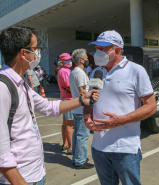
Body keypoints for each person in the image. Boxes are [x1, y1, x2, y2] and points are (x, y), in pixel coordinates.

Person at [0, 26, 99, 185]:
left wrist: (82, 100)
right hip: (20, 179)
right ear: (23, 53)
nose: (38, 53)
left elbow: (48, 107)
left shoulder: (21, 82)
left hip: (35, 174)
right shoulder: (3, 87)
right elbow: (1, 153)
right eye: (35, 48)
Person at [84, 30, 157, 184]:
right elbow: (90, 102)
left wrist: (121, 120)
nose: (97, 52)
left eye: (102, 49)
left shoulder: (136, 71)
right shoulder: (96, 72)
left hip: (125, 149)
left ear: (116, 50)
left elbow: (151, 106)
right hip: (99, 148)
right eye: (96, 48)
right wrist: (87, 117)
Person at [69, 49, 94, 169]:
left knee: (77, 135)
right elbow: (83, 92)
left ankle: (77, 157)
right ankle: (80, 160)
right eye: (85, 57)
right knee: (82, 136)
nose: (87, 59)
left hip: (76, 108)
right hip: (82, 109)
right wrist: (88, 107)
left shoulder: (74, 72)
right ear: (81, 60)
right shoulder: (80, 73)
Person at [57, 53, 74, 155]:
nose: (70, 61)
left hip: (64, 98)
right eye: (67, 60)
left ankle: (65, 144)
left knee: (65, 124)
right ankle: (71, 147)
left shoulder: (62, 70)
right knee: (69, 125)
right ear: (62, 61)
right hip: (68, 99)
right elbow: (68, 84)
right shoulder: (64, 71)